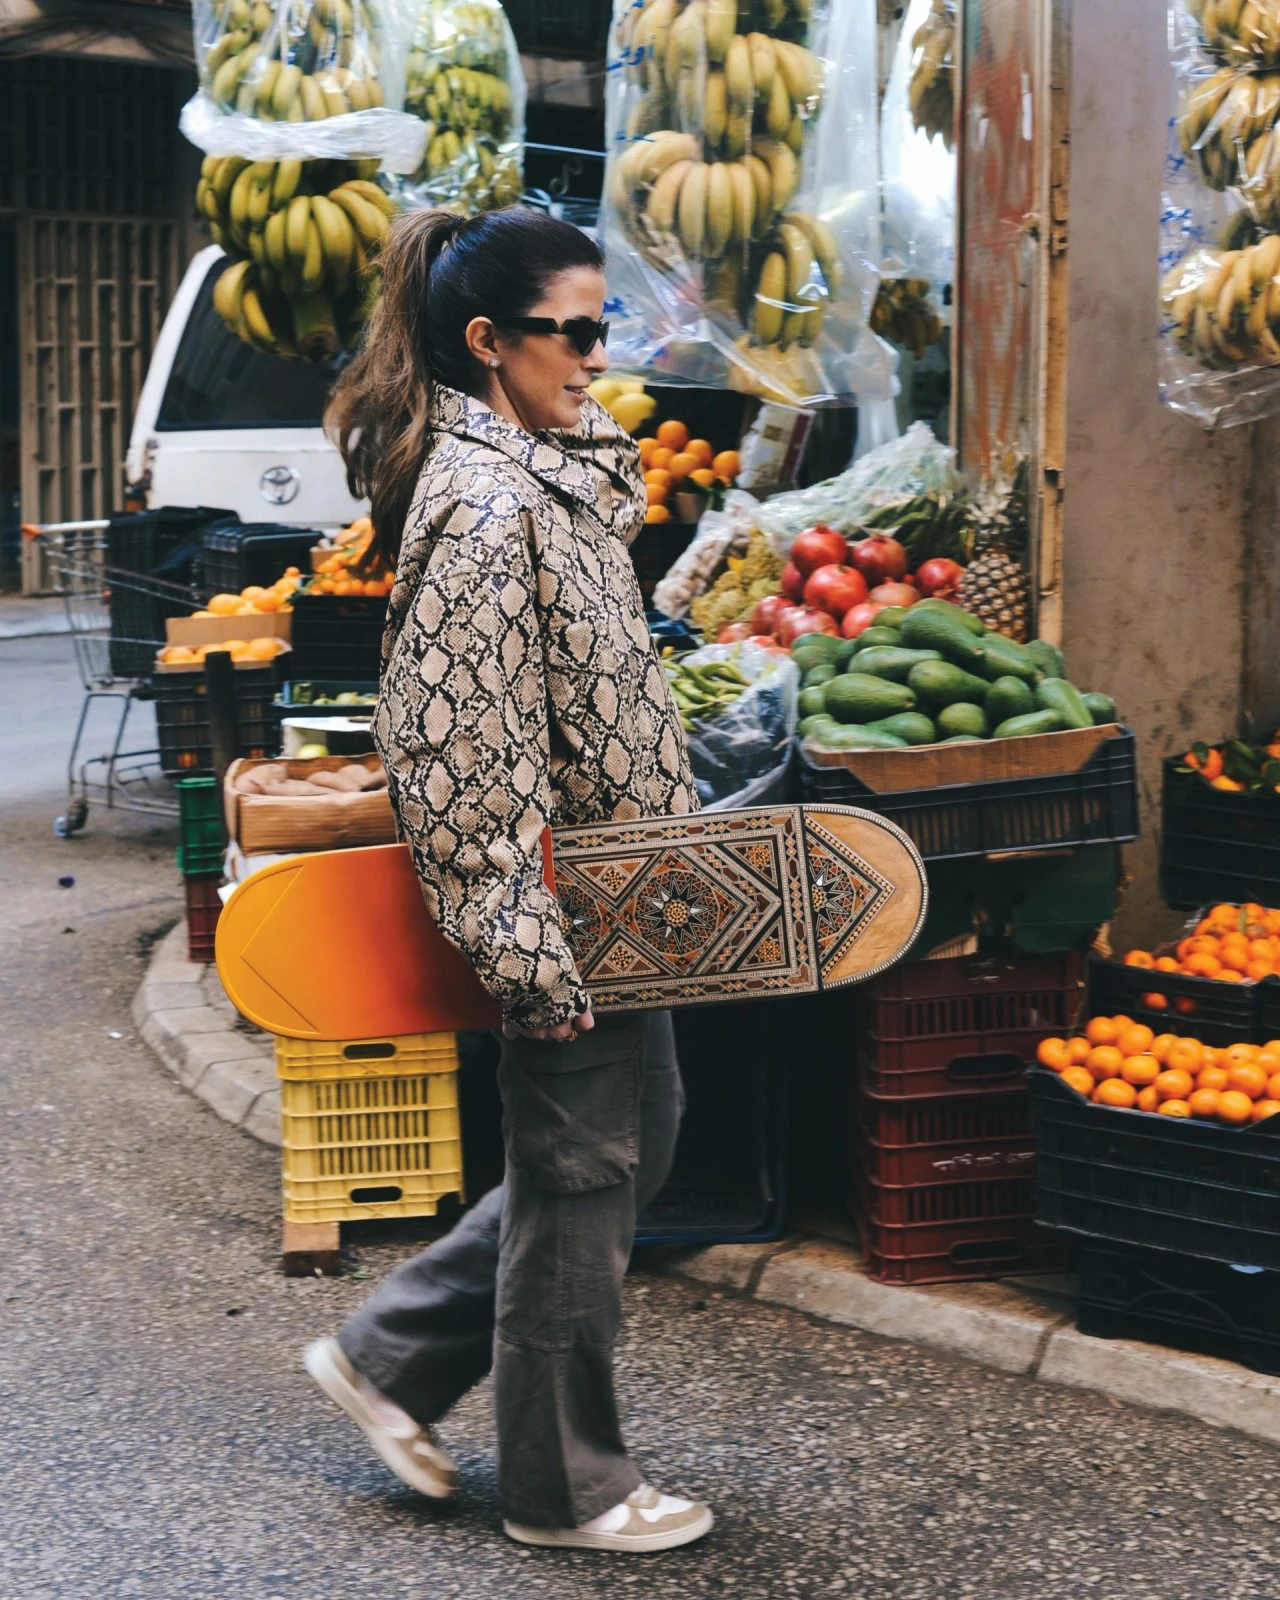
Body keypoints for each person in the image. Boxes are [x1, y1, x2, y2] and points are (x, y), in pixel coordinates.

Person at [303, 207, 713, 1554]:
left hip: (615, 898)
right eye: (578, 332)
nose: (601, 356)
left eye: (610, 328)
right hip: (562, 913)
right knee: (585, 1169)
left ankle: (392, 1355)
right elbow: (459, 755)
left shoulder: (536, 473)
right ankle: (567, 1488)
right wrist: (526, 960)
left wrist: (578, 420)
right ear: (489, 341)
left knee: (626, 1138)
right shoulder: (481, 508)